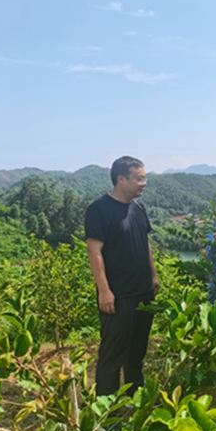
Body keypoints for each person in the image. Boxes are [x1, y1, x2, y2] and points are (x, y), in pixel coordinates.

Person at [85, 156, 159, 397]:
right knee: (112, 353)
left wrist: (153, 276)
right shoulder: (99, 209)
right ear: (121, 179)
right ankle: (106, 409)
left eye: (144, 178)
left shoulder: (138, 208)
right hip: (118, 296)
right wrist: (104, 291)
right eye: (139, 178)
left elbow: (145, 243)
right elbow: (94, 252)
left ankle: (135, 398)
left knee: (137, 351)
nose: (144, 183)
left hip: (143, 292)